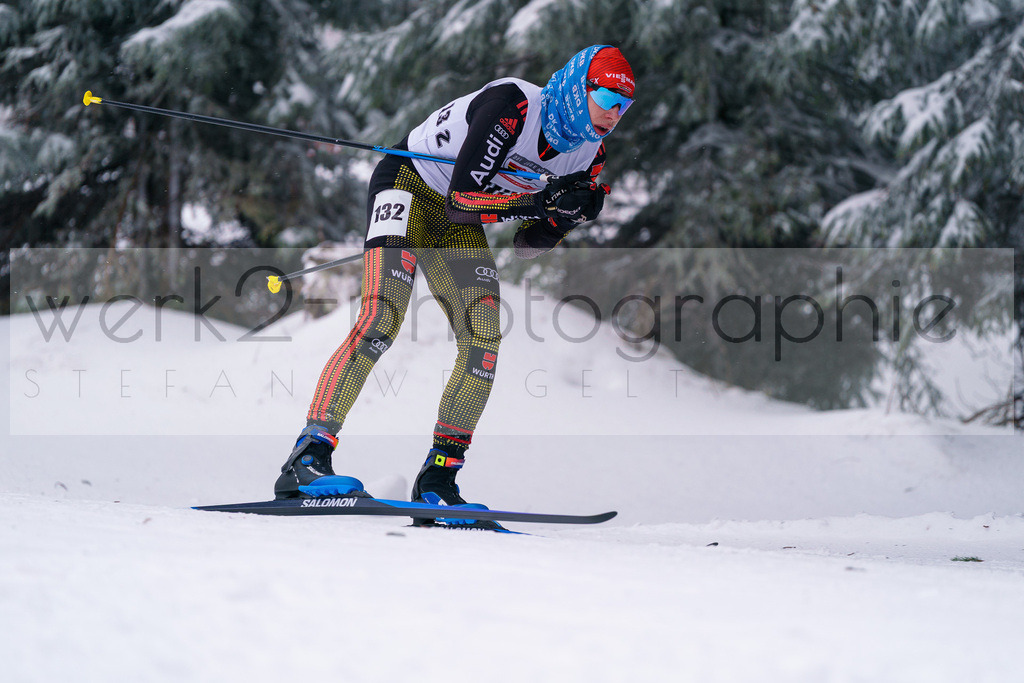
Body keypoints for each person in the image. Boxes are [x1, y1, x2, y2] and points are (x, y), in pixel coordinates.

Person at [274, 45, 636, 527]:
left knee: (483, 337)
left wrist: (564, 217)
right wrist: (539, 202)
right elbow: (464, 199)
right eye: (607, 97)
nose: (613, 113)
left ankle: (438, 478)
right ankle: (307, 457)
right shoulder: (515, 106)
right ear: (577, 88)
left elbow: (528, 245)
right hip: (409, 183)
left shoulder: (591, 153)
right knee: (383, 315)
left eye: (624, 105)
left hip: (455, 219)